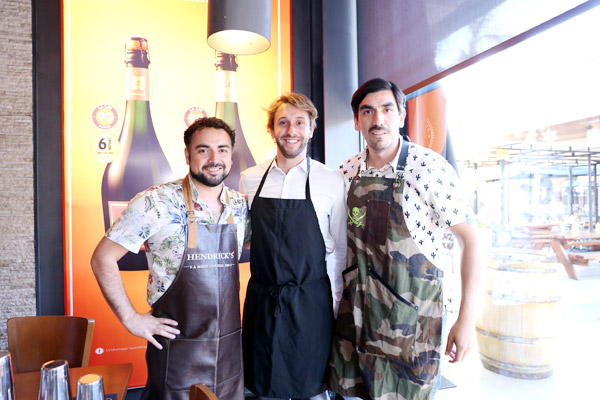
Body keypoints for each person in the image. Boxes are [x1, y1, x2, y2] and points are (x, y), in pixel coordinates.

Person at [328, 78, 480, 400]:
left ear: (401, 115)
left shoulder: (429, 168)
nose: (378, 119)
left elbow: (471, 241)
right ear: (356, 120)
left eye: (387, 109)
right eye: (367, 111)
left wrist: (466, 320)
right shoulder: (346, 171)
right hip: (356, 321)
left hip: (413, 326)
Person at [91, 117, 249, 400]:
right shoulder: (156, 201)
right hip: (177, 353)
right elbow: (102, 258)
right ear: (188, 155)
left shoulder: (240, 205)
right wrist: (131, 319)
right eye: (203, 150)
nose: (214, 159)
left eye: (222, 150)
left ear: (230, 155)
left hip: (229, 353)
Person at [239, 93, 347, 400]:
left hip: (311, 302)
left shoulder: (331, 180)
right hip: (263, 300)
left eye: (300, 122)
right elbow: (247, 238)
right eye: (283, 122)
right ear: (271, 129)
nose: (291, 130)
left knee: (311, 388)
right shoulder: (250, 179)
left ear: (311, 129)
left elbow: (340, 249)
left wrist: (337, 303)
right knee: (265, 387)